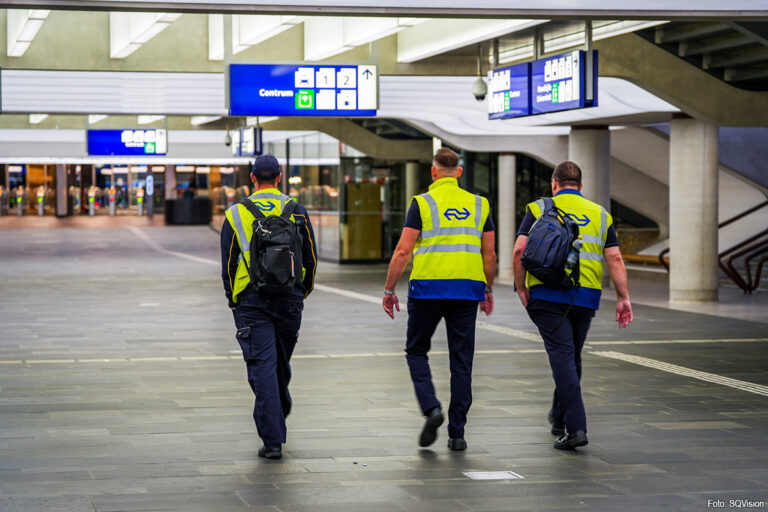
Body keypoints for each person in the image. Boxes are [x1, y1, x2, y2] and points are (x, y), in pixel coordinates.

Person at [513, 161, 633, 450]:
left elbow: (519, 249)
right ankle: (559, 417)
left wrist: (520, 286)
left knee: (564, 357)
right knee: (570, 355)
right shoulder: (601, 214)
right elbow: (615, 258)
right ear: (581, 186)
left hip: (546, 295)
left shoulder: (538, 208)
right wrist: (623, 297)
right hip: (585, 296)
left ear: (554, 184)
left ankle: (576, 428)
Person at [382, 147, 496, 451]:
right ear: (459, 172)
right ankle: (457, 433)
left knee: (416, 350)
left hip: (428, 289)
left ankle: (432, 408)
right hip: (467, 290)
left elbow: (404, 250)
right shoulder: (480, 204)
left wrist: (390, 289)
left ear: (433, 172)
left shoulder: (422, 203)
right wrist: (488, 289)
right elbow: (490, 253)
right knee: (462, 360)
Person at [220, 154, 317, 460]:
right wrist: (303, 291)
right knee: (278, 363)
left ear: (252, 179)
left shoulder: (235, 214)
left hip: (251, 300)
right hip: (290, 297)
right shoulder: (296, 211)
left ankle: (272, 437)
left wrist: (232, 299)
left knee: (263, 366)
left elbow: (229, 263)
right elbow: (311, 257)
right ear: (279, 177)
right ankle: (277, 416)